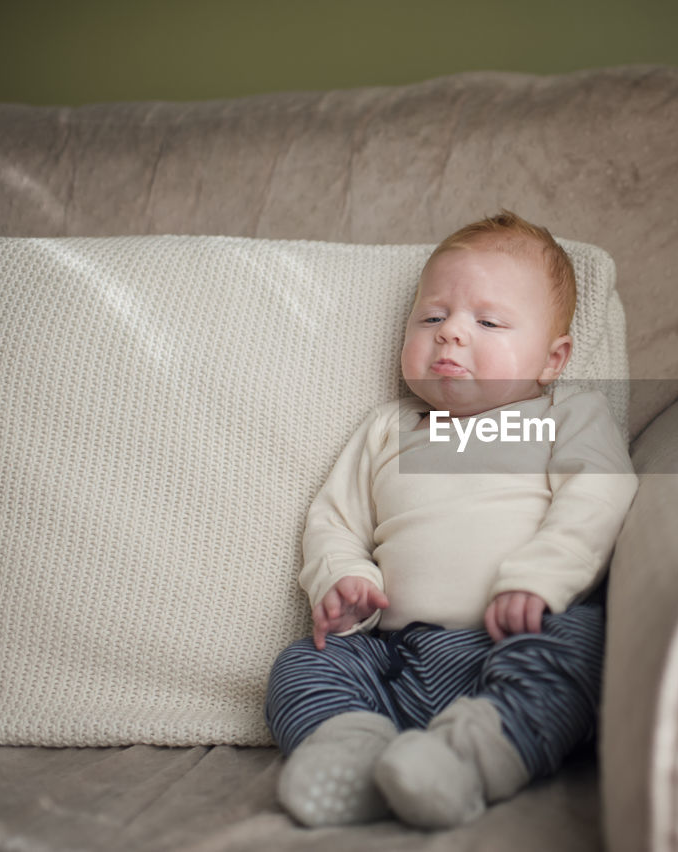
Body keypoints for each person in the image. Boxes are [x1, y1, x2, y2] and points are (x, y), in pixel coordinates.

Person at [263, 211, 638, 830]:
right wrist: (343, 579)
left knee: (584, 648)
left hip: (516, 639)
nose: (451, 335)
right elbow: (333, 519)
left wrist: (541, 577)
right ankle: (354, 756)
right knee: (303, 664)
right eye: (432, 318)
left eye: (487, 322)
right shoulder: (387, 430)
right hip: (393, 655)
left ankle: (464, 762)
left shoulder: (564, 415)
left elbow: (600, 492)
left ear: (552, 359)